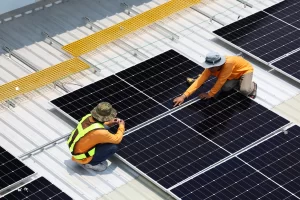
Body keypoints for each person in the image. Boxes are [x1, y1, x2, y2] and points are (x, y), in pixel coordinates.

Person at [173, 52, 257, 106]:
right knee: (225, 88)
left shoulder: (228, 64)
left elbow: (220, 81)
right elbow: (199, 81)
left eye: (212, 67)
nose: (210, 69)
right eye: (209, 67)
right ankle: (240, 82)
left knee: (245, 90)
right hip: (232, 75)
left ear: (219, 64)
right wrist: (183, 96)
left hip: (244, 71)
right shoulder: (210, 68)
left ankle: (253, 86)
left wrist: (210, 94)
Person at [67, 102, 125, 171]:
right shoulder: (101, 132)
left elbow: (95, 125)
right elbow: (117, 139)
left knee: (98, 136)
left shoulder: (87, 117)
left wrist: (109, 123)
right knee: (113, 147)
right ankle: (91, 164)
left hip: (75, 149)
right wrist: (122, 126)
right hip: (82, 157)